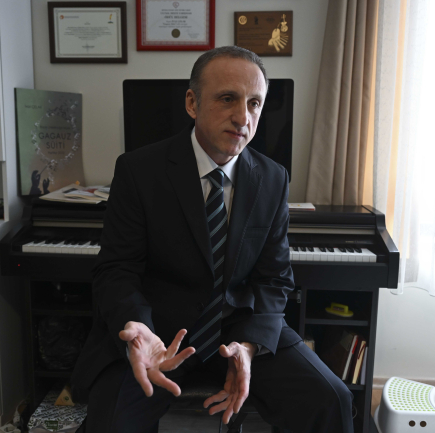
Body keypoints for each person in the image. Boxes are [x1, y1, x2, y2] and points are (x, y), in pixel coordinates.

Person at [71, 46, 354, 433]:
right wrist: (138, 327)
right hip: (159, 336)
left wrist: (249, 347)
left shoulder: (273, 178)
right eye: (227, 99)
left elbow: (274, 279)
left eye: (254, 103)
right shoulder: (139, 170)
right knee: (111, 423)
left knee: (332, 399)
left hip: (240, 332)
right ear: (192, 102)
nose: (243, 117)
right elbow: (117, 270)